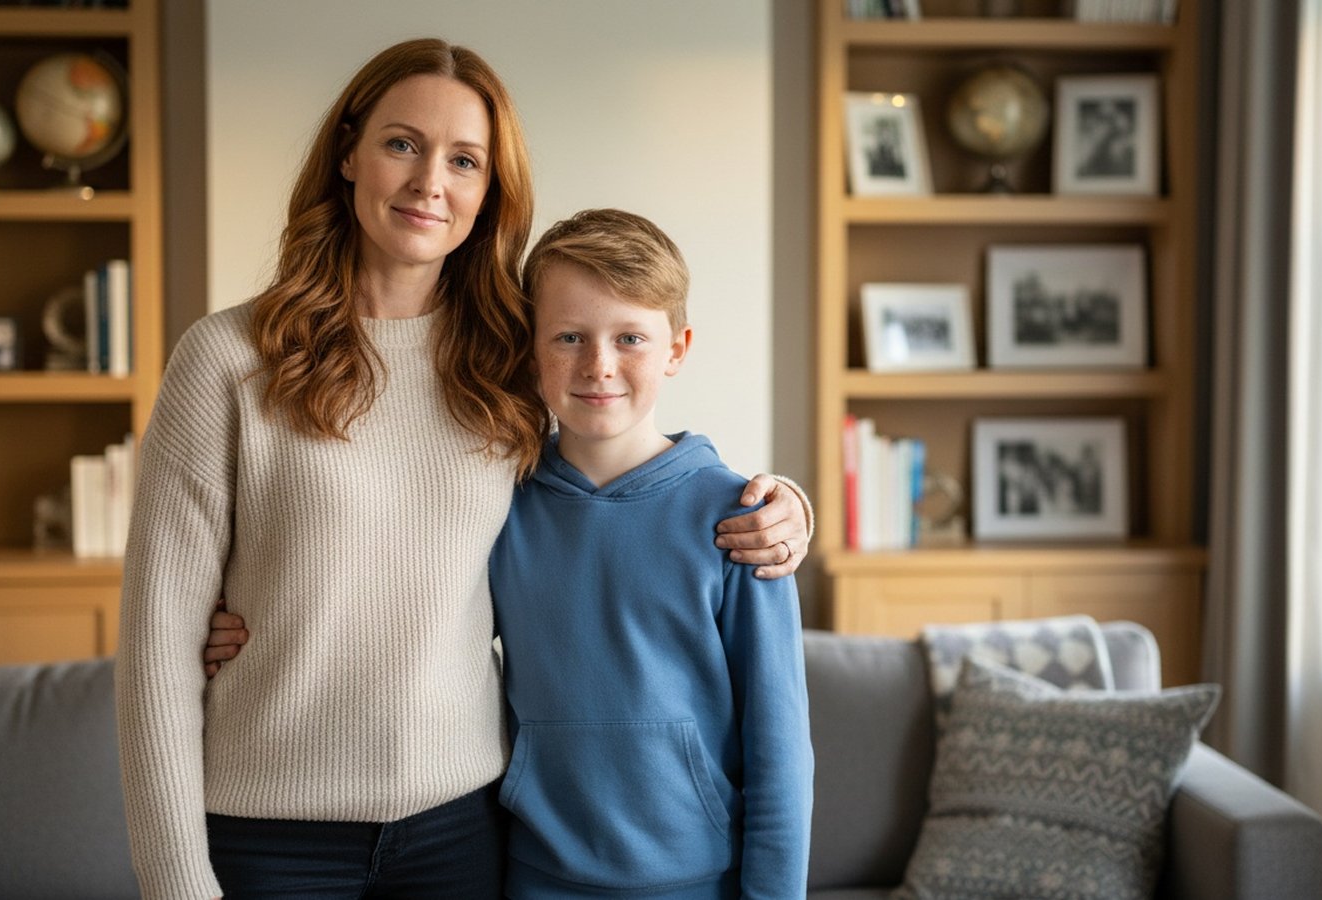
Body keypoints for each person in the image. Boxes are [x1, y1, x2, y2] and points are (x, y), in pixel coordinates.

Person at [115, 38, 810, 900]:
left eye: (465, 160)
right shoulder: (225, 360)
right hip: (268, 836)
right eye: (401, 144)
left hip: (463, 832)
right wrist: (175, 880)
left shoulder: (506, 362)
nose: (428, 182)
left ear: (488, 193)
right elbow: (153, 648)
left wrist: (784, 505)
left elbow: (618, 464)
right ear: (347, 154)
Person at [490, 208, 813, 896]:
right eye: (568, 336)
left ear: (676, 348)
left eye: (629, 338)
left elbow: (779, 745)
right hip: (534, 876)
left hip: (696, 880)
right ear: (529, 347)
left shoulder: (742, 519)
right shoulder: (498, 506)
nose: (597, 366)